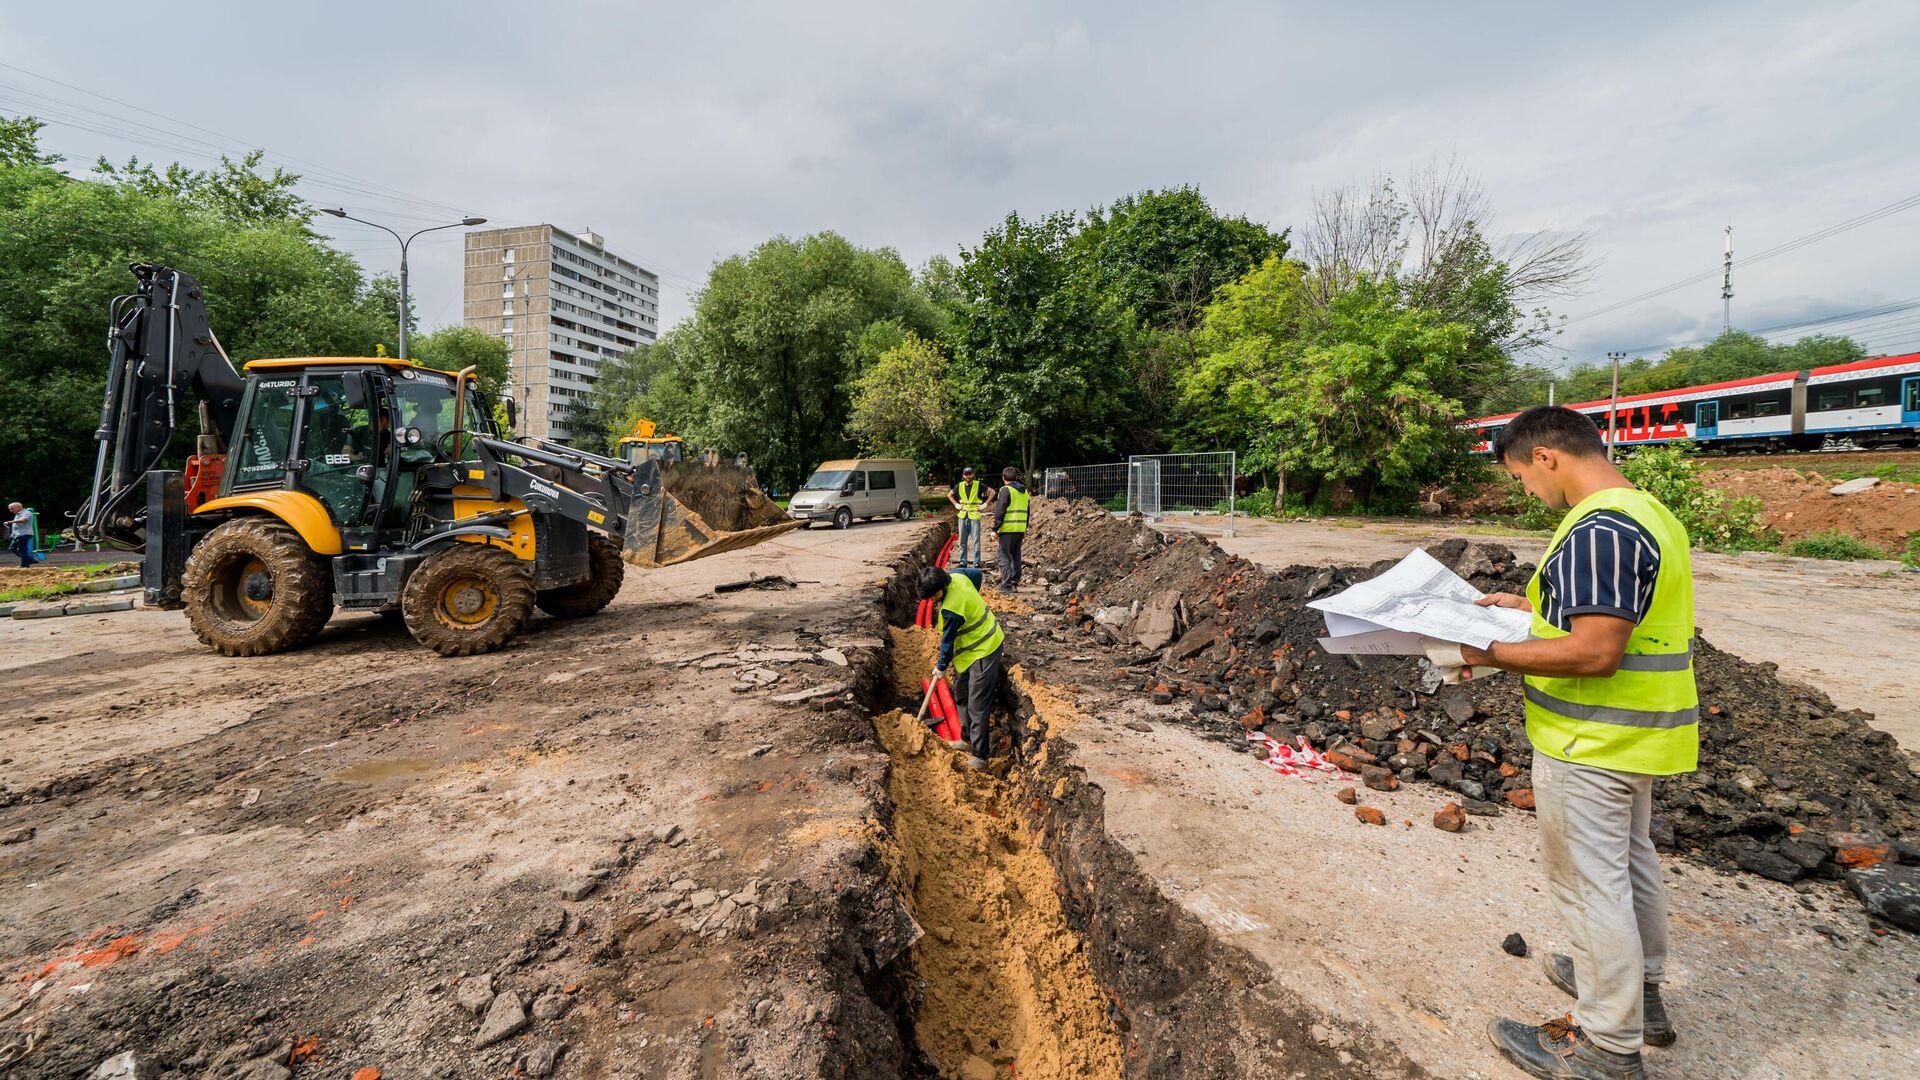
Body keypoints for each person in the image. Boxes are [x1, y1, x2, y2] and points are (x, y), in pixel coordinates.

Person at [1452, 407, 1695, 1080]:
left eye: (1521, 478)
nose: (1528, 492)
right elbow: (1611, 619)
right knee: (1629, 861)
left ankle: (1604, 1048)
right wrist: (1525, 610)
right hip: (1638, 734)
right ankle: (1637, 994)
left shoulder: (1598, 530)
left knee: (1591, 886)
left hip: (1589, 737)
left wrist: (1491, 650)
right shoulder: (1648, 513)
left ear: (1547, 458)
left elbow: (1595, 651)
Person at [917, 565, 1005, 771]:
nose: (931, 602)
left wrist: (940, 667)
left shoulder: (951, 611)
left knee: (977, 706)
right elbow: (977, 574)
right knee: (962, 694)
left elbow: (947, 645)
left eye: (932, 597)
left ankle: (980, 756)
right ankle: (966, 740)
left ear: (941, 588)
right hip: (968, 653)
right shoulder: (957, 574)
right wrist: (973, 600)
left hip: (985, 648)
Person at [987, 466, 1029, 590]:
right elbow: (1028, 511)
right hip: (1020, 529)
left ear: (1003, 478)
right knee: (1016, 556)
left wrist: (995, 528)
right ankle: (1014, 582)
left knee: (1003, 556)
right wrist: (1025, 528)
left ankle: (1006, 585)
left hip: (1007, 529)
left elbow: (1000, 511)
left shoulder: (1005, 490)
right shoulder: (1025, 491)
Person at [947, 467, 986, 568]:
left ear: (973, 475)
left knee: (976, 540)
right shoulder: (960, 486)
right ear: (963, 476)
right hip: (963, 516)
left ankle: (976, 562)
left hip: (974, 516)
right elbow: (950, 494)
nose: (968, 476)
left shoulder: (978, 485)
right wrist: (956, 504)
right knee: (962, 541)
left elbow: (992, 492)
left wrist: (984, 504)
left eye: (970, 474)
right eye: (966, 474)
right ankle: (963, 562)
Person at [8, 503, 42, 567]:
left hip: (24, 534)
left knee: (22, 550)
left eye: (12, 509)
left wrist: (11, 522)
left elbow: (23, 520)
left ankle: (25, 565)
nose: (11, 511)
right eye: (10, 509)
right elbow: (17, 526)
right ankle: (29, 559)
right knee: (12, 548)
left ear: (19, 507)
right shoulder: (18, 514)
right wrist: (12, 535)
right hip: (18, 535)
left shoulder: (26, 513)